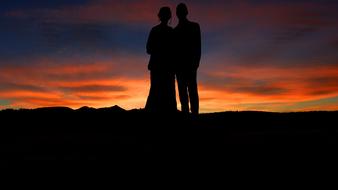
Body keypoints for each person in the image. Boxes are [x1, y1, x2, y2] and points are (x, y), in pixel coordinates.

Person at [145, 7, 177, 113]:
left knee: (156, 91)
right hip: (164, 68)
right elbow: (149, 49)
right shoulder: (170, 32)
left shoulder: (156, 30)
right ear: (168, 17)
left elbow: (149, 49)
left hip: (161, 67)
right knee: (163, 92)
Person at [174, 3, 201, 115]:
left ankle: (193, 115)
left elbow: (198, 47)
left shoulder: (194, 27)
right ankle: (188, 115)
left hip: (189, 65)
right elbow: (174, 51)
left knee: (190, 91)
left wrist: (196, 63)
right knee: (184, 93)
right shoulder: (175, 31)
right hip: (181, 66)